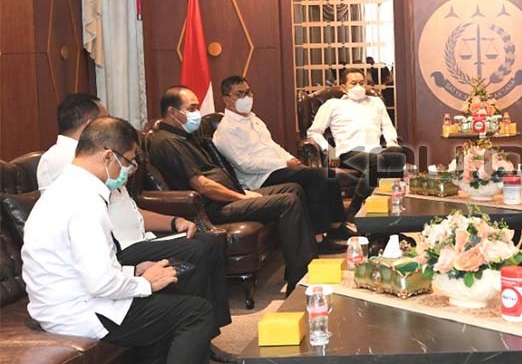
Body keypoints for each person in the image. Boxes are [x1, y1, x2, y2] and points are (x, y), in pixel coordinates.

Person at [22, 117, 223, 364]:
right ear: (107, 156)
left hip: (69, 300)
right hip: (79, 311)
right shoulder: (83, 203)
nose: (129, 171)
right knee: (195, 312)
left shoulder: (66, 189)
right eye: (128, 161)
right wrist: (146, 283)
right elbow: (99, 283)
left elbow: (88, 267)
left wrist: (134, 271)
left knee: (169, 303)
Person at [37, 93, 236, 364]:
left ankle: (197, 341)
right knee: (195, 254)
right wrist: (140, 281)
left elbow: (130, 210)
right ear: (92, 126)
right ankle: (195, 346)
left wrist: (172, 222)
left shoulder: (100, 168)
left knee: (202, 246)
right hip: (113, 252)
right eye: (105, 119)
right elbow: (89, 254)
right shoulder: (68, 166)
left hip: (125, 247)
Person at [147, 86, 317, 294]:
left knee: (293, 188)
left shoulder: (185, 136)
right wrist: (240, 197)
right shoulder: (167, 142)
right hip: (213, 207)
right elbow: (202, 185)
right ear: (173, 112)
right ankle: (300, 280)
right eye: (191, 108)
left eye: (197, 107)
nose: (197, 113)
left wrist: (242, 193)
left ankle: (301, 265)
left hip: (229, 195)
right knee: (288, 201)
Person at [212, 75, 349, 246]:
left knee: (329, 175)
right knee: (317, 177)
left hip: (277, 169)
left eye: (248, 92)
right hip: (258, 178)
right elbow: (244, 164)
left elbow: (273, 146)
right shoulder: (226, 129)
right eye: (239, 94)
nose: (246, 98)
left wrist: (290, 159)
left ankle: (337, 226)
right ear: (226, 99)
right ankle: (318, 237)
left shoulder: (254, 119)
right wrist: (284, 164)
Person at [307, 67, 403, 215]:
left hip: (376, 150)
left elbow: (388, 127)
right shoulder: (333, 105)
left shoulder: (376, 102)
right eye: (353, 83)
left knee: (396, 153)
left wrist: (391, 144)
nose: (359, 87)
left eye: (362, 83)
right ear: (343, 87)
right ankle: (354, 208)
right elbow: (313, 132)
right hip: (349, 152)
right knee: (380, 161)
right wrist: (330, 150)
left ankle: (384, 208)